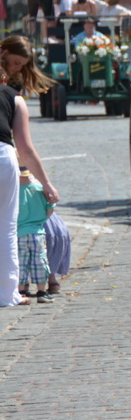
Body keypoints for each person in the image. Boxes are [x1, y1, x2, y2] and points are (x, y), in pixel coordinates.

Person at [0, 62, 61, 308]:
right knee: (6, 228)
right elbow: (25, 148)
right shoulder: (14, 98)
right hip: (2, 157)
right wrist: (46, 183)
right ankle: (7, 294)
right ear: (3, 79)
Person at [15, 169, 53, 302]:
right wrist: (40, 220)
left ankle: (21, 291)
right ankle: (41, 291)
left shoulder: (11, 190)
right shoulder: (39, 188)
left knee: (20, 262)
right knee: (39, 261)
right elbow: (50, 208)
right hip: (37, 232)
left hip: (18, 233)